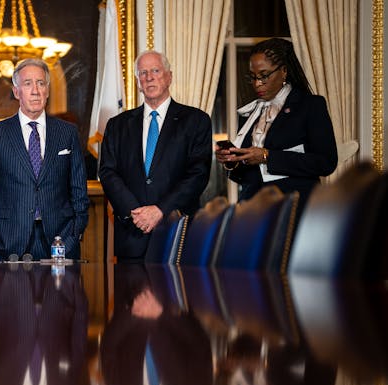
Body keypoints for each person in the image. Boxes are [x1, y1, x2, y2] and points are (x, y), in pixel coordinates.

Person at [98, 50, 212, 263]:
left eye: (155, 71)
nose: (149, 77)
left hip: (178, 234)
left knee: (177, 297)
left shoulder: (196, 120)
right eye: (143, 73)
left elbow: (198, 174)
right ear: (138, 82)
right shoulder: (117, 125)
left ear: (169, 76)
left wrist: (160, 210)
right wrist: (136, 213)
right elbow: (107, 171)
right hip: (132, 236)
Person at [0, 58, 89, 261]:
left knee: (61, 294)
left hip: (60, 240)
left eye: (41, 83)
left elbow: (78, 187)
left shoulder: (67, 132)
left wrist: (76, 232)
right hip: (7, 241)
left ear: (48, 90)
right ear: (17, 92)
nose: (35, 90)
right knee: (11, 294)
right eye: (28, 84)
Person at [215, 38, 337, 204]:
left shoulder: (309, 105)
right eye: (253, 77)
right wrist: (232, 160)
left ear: (284, 71)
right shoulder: (251, 113)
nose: (257, 84)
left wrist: (267, 156)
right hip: (253, 206)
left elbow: (325, 162)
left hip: (293, 204)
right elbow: (246, 176)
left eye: (264, 76)